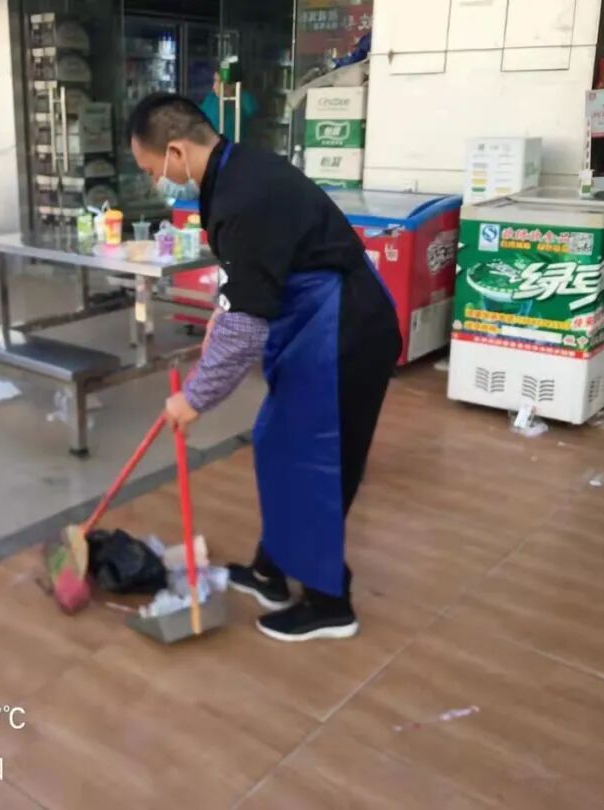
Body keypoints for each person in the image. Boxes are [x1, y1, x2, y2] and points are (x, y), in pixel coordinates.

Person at [128, 93, 401, 642]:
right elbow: (248, 273)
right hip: (311, 324)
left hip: (343, 332)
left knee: (316, 460)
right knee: (279, 445)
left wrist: (195, 398)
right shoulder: (233, 171)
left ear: (176, 151)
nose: (157, 181)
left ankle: (329, 603)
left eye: (152, 170)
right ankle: (269, 572)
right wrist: (221, 311)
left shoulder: (242, 195)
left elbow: (247, 328)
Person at [199, 71, 257, 142]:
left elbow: (253, 118)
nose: (214, 86)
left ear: (233, 85)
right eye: (214, 81)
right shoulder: (211, 98)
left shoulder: (244, 98)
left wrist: (229, 96)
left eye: (219, 82)